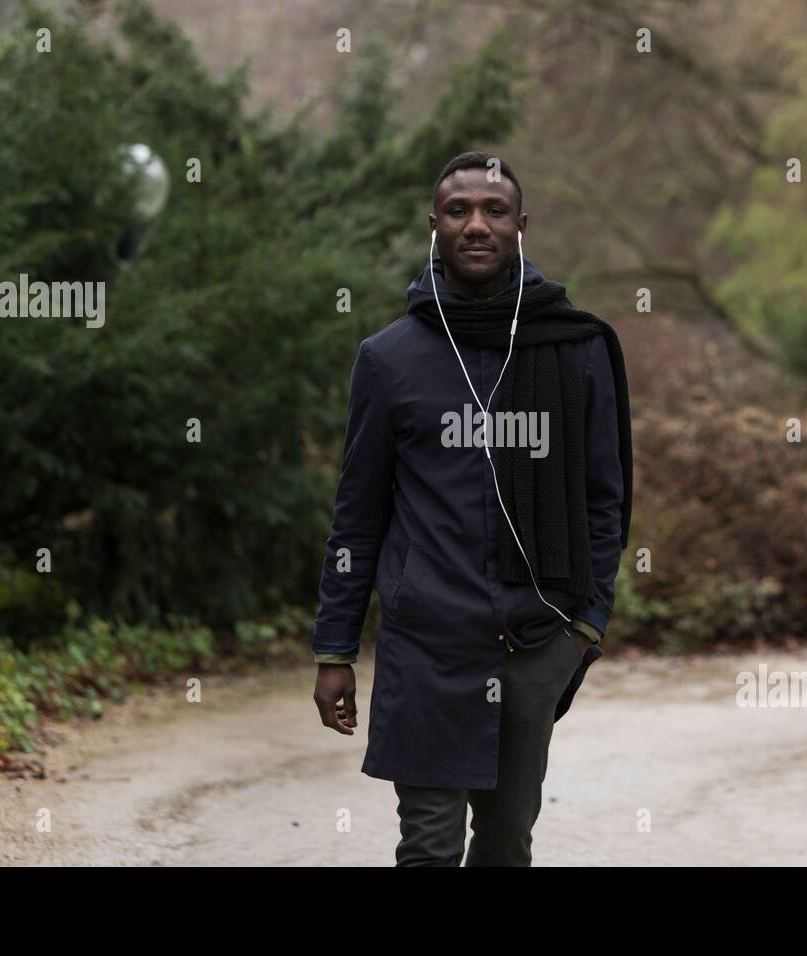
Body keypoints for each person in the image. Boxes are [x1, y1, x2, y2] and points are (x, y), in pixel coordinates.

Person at [311, 150, 632, 865]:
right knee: (427, 846)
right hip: (425, 646)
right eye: (459, 211)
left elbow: (604, 502)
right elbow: (356, 515)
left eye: (493, 211)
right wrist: (334, 648)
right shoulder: (390, 359)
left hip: (532, 641)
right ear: (435, 226)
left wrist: (584, 628)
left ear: (522, 225)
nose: (476, 224)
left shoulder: (574, 348)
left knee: (505, 845)